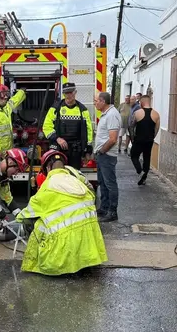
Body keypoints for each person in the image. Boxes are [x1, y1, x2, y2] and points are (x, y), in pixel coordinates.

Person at [16, 150, 107, 276]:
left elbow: (28, 213)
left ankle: (59, 258)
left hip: (64, 246)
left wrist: (18, 217)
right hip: (89, 236)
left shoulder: (49, 184)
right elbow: (91, 193)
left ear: (48, 167)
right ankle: (85, 258)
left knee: (38, 224)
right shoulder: (75, 175)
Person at [42, 82, 94, 169]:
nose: (68, 95)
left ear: (75, 92)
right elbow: (46, 126)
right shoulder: (55, 108)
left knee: (74, 175)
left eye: (71, 92)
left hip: (75, 150)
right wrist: (57, 139)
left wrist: (87, 150)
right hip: (58, 148)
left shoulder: (82, 110)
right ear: (63, 94)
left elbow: (88, 130)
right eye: (66, 93)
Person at [93, 91, 121, 222]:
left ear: (103, 102)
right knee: (102, 183)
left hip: (107, 155)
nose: (94, 103)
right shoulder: (106, 114)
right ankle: (104, 208)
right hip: (102, 155)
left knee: (110, 184)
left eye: (96, 101)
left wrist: (102, 151)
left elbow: (113, 139)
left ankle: (112, 212)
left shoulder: (112, 115)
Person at [0, 84, 26, 158]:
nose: (5, 100)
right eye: (2, 98)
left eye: (6, 98)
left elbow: (14, 101)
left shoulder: (5, 107)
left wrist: (21, 92)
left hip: (7, 152)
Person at [130, 95, 160, 186]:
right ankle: (144, 178)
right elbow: (156, 129)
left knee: (134, 155)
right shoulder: (156, 114)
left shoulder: (137, 113)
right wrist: (152, 137)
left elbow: (131, 126)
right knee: (147, 158)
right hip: (149, 140)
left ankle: (140, 171)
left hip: (138, 139)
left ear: (142, 103)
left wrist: (132, 138)